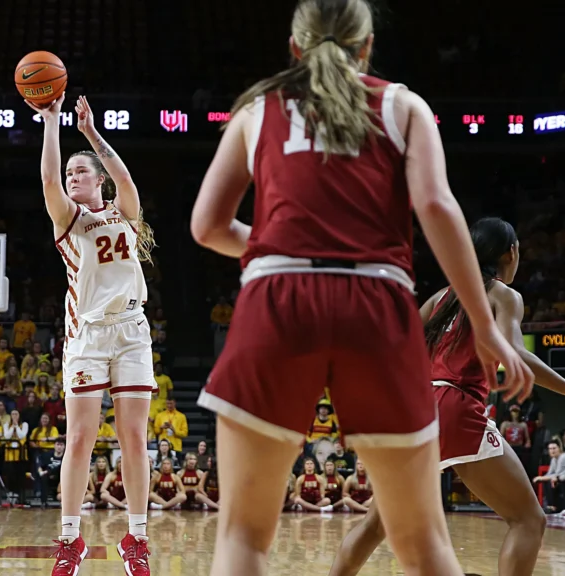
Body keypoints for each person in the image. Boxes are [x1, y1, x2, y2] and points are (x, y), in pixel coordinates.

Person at [189, 1, 535, 573]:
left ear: (295, 49)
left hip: (277, 302)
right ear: (368, 46)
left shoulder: (258, 108)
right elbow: (436, 207)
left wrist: (282, 249)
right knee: (423, 541)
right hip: (375, 304)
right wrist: (482, 322)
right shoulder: (403, 105)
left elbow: (206, 227)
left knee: (244, 537)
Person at [328, 218, 565, 575]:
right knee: (528, 519)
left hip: (415, 411)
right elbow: (514, 354)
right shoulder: (503, 294)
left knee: (376, 523)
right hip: (455, 408)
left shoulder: (441, 296)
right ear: (511, 252)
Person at [26, 92, 157, 576]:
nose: (72, 178)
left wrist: (91, 134)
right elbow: (45, 177)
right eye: (70, 175)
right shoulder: (69, 222)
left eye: (80, 173)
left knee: (134, 439)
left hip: (131, 331)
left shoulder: (124, 212)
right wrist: (53, 123)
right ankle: (70, 540)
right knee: (80, 438)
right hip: (87, 336)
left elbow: (124, 177)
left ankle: (136, 539)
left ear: (97, 179)